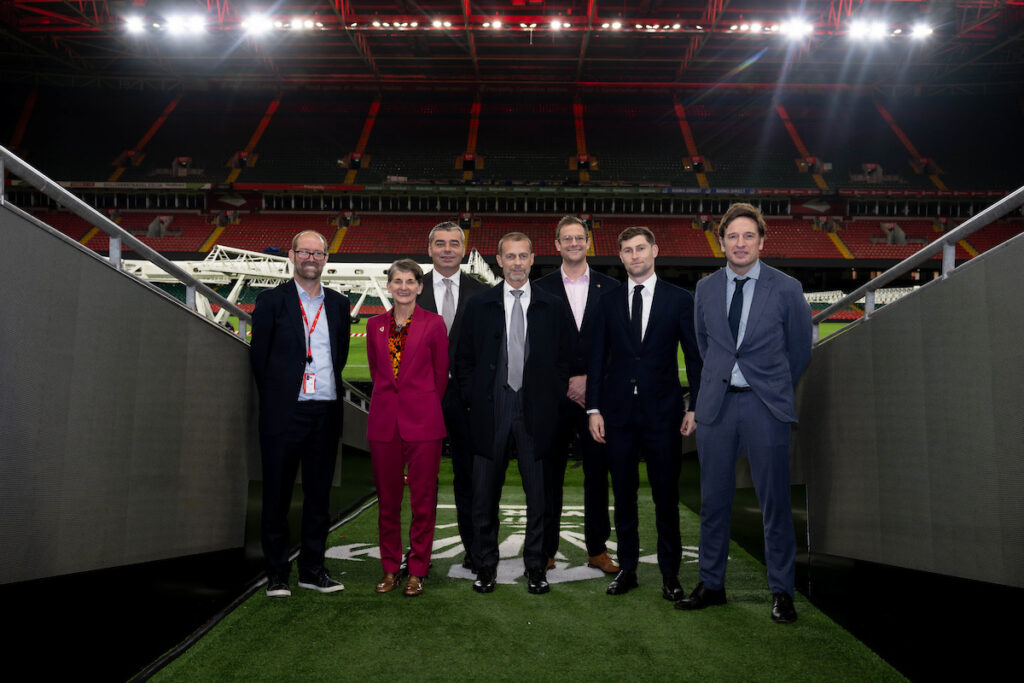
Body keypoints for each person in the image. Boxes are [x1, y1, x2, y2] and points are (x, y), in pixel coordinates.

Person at [676, 202, 812, 623]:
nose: (740, 243)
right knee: (714, 502)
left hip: (764, 406)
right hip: (718, 408)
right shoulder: (706, 288)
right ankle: (712, 585)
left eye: (748, 235)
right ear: (721, 242)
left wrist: (769, 385)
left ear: (761, 240)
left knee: (774, 502)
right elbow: (704, 344)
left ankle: (781, 592)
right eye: (732, 236)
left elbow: (799, 350)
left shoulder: (786, 287)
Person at [587, 226, 703, 602]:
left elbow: (695, 357)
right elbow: (596, 359)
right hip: (618, 414)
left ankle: (671, 574)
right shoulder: (607, 302)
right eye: (627, 250)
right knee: (623, 495)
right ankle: (629, 569)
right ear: (619, 257)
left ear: (654, 251)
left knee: (665, 497)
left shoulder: (680, 299)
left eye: (641, 248)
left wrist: (695, 405)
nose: (635, 255)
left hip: (664, 414)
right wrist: (593, 408)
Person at [454, 232, 572, 595]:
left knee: (539, 496)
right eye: (510, 256)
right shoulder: (480, 304)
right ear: (499, 261)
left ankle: (536, 566)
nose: (517, 263)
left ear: (533, 258)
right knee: (484, 495)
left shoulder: (553, 305)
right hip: (492, 409)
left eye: (523, 256)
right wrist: (476, 399)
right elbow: (464, 360)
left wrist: (550, 402)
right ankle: (485, 565)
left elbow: (565, 360)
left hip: (536, 412)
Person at [251, 230, 351, 598]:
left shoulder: (339, 305)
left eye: (318, 252)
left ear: (326, 259)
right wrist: (280, 400)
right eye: (304, 251)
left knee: (319, 497)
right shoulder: (270, 301)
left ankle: (312, 569)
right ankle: (277, 574)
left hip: (325, 413)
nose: (311, 258)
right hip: (285, 414)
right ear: (292, 256)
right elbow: (259, 360)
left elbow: (337, 356)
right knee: (276, 496)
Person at [534, 216, 620, 574]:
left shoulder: (611, 288)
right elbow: (535, 348)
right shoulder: (540, 288)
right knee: (548, 476)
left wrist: (591, 381)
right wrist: (567, 380)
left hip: (597, 399)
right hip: (555, 396)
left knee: (597, 475)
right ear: (556, 244)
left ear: (588, 242)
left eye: (578, 238)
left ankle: (598, 549)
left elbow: (618, 344)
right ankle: (546, 548)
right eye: (566, 238)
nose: (573, 243)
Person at [366, 260, 449, 598]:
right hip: (385, 423)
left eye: (410, 281)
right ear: (389, 286)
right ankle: (390, 568)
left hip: (424, 422)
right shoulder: (374, 326)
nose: (403, 286)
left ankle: (417, 570)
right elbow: (377, 374)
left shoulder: (434, 324)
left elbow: (441, 375)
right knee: (388, 501)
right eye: (397, 281)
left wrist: (422, 405)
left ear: (419, 287)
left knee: (423, 501)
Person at [415, 221, 488, 570]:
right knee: (421, 480)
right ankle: (419, 556)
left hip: (467, 400)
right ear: (429, 249)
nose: (447, 249)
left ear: (463, 249)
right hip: (422, 398)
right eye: (440, 243)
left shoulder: (482, 291)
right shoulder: (411, 288)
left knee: (468, 477)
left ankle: (474, 549)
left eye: (454, 243)